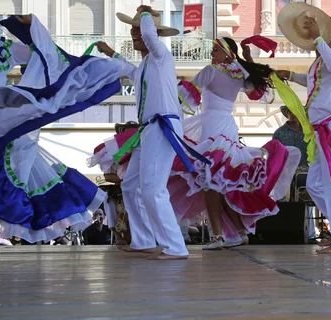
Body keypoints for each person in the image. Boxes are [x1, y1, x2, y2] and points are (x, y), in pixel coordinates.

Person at [94, 36, 301, 251]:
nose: (212, 53)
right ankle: (238, 232)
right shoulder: (239, 74)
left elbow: (185, 96)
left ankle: (219, 236)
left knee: (212, 181)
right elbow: (257, 94)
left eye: (215, 50)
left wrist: (164, 97)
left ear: (226, 53)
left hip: (212, 125)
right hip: (227, 125)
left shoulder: (211, 71)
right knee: (219, 182)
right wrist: (247, 61)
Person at [0, 0, 127, 266]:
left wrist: (30, 27)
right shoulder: (2, 48)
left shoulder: (1, 47)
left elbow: (44, 53)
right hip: (0, 115)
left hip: (1, 116)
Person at [95, 5, 194, 260]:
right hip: (149, 130)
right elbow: (129, 70)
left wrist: (147, 14)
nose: (134, 34)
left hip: (163, 127)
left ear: (151, 32)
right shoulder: (147, 64)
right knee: (130, 186)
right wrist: (111, 53)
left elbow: (150, 37)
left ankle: (175, 246)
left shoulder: (161, 54)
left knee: (152, 188)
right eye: (132, 30)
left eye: (137, 30)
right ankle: (143, 240)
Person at [274, 2, 331, 254]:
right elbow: (311, 80)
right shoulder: (317, 65)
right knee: (315, 185)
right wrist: (290, 75)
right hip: (321, 130)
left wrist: (318, 36)